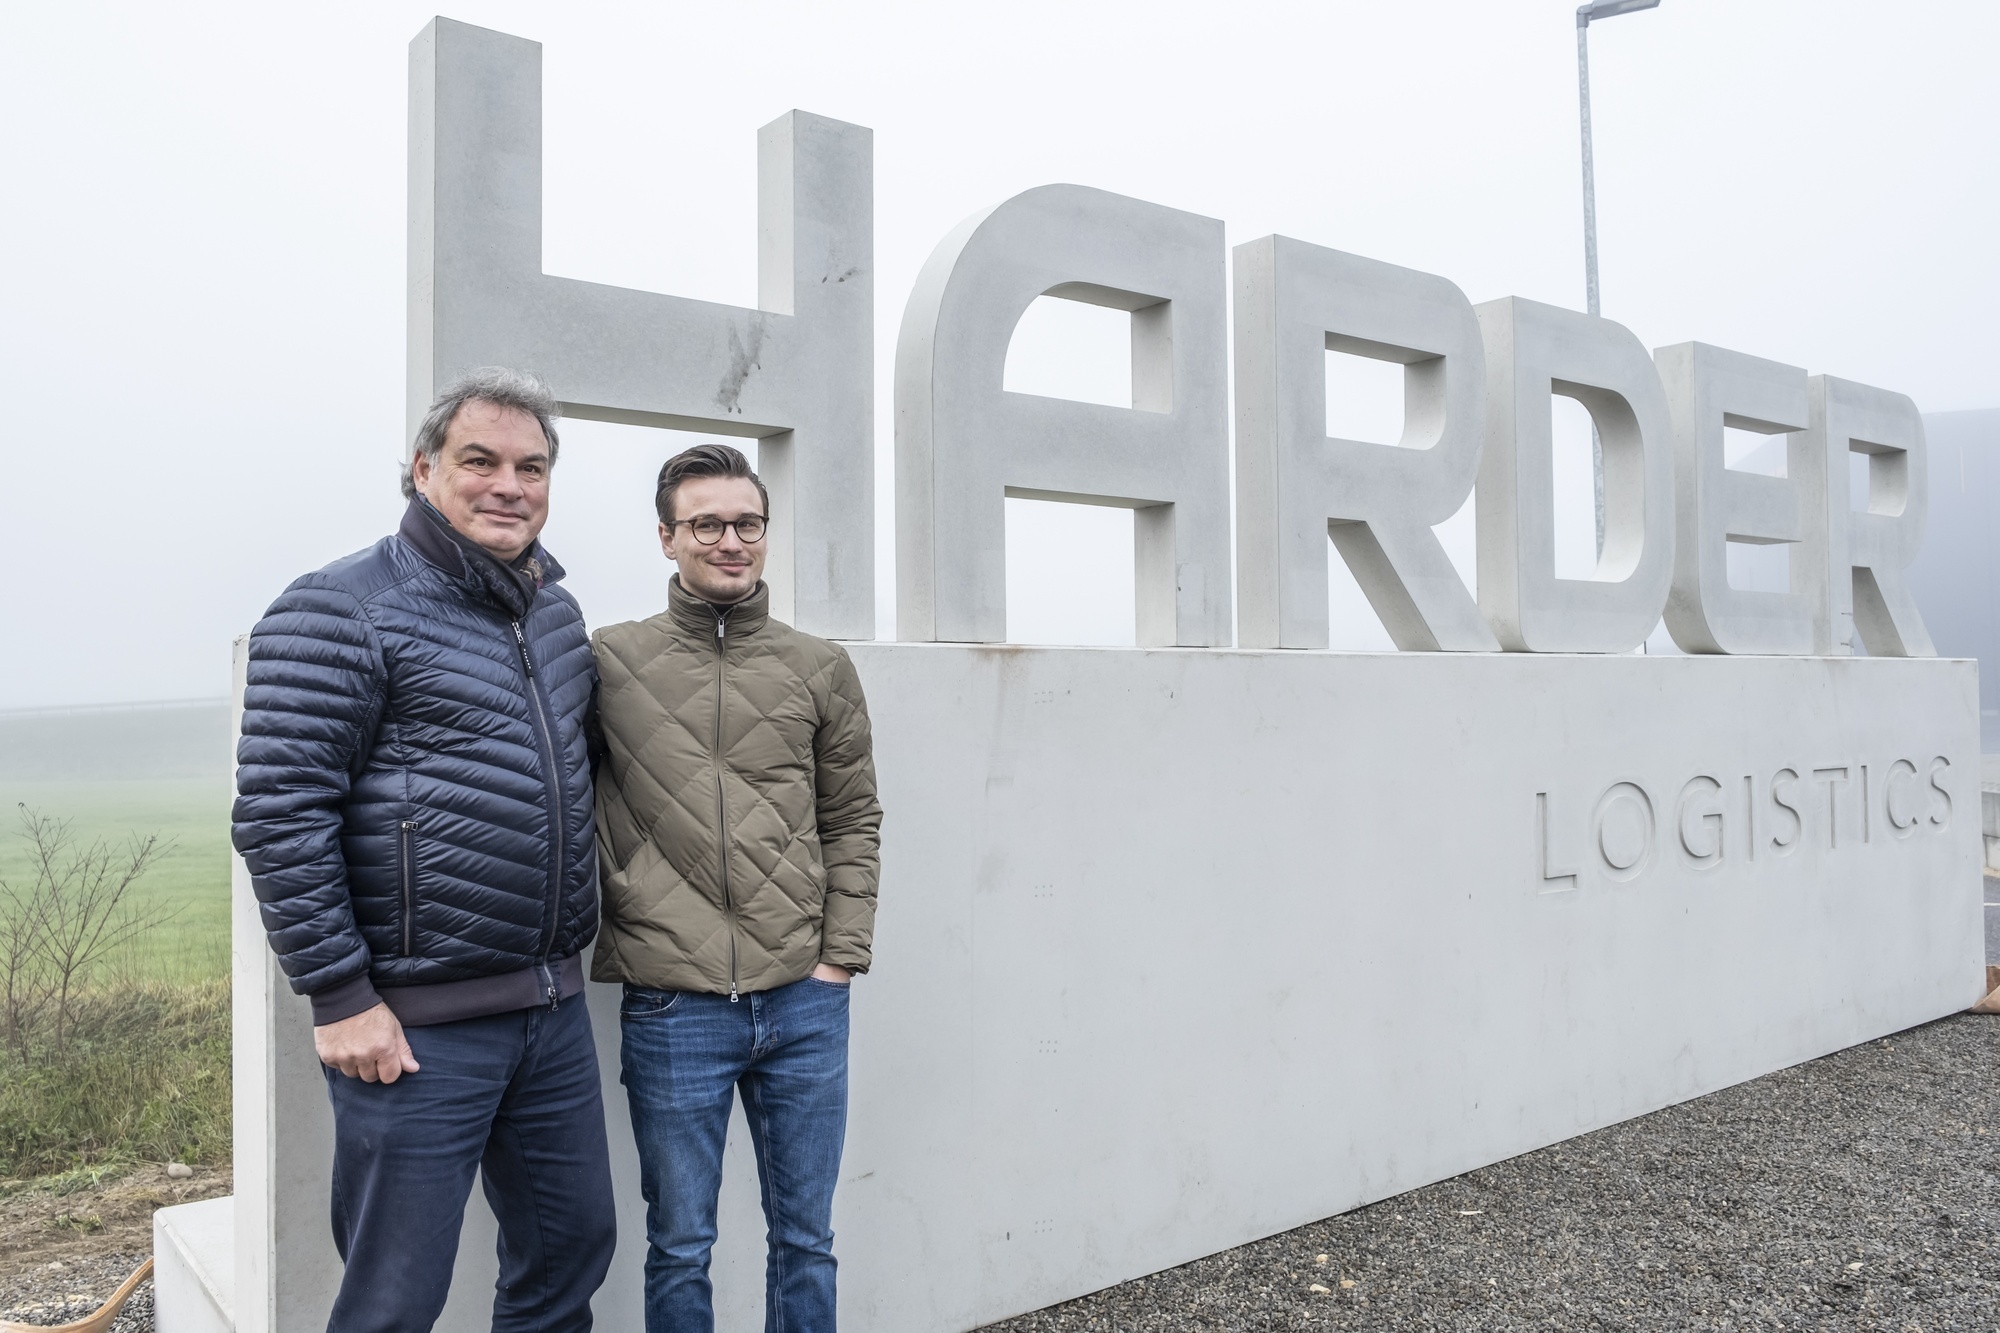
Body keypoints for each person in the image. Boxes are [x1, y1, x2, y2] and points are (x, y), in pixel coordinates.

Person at [231, 368, 615, 1332]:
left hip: (551, 1006)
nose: (508, 484)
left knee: (570, 1254)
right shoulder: (338, 607)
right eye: (478, 460)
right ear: (421, 470)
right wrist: (342, 996)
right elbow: (281, 811)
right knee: (395, 1296)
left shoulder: (554, 616)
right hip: (412, 1031)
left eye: (531, 466)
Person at [591, 442, 883, 1332]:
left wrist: (840, 957)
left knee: (807, 1237)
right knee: (679, 1243)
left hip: (804, 1000)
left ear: (764, 532)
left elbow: (854, 818)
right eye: (706, 523)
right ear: (667, 537)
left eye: (746, 522)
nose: (729, 540)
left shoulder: (818, 665)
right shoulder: (607, 660)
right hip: (673, 1007)